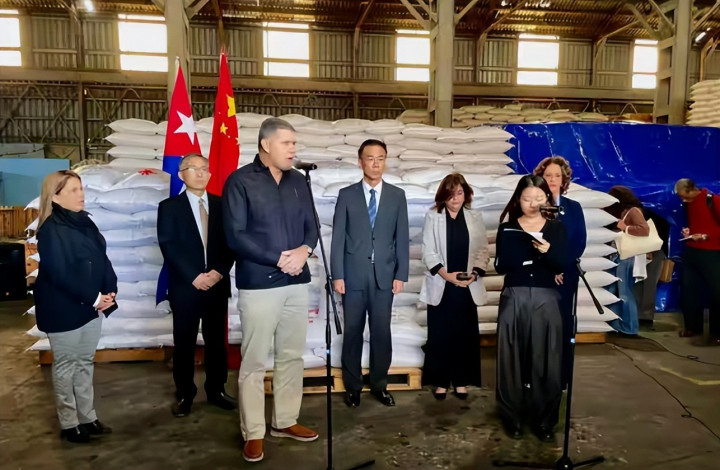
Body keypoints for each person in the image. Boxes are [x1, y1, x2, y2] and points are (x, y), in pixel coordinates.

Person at [223, 118, 319, 463]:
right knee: (254, 361)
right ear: (266, 145)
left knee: (291, 355)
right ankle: (254, 432)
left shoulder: (299, 181)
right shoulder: (240, 181)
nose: (293, 149)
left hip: (296, 282)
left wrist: (305, 250)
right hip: (259, 284)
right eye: (286, 143)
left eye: (294, 143)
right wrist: (279, 259)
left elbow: (312, 225)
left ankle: (285, 420)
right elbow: (235, 235)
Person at [34, 170, 117, 443]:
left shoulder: (85, 222)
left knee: (84, 363)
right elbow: (60, 274)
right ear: (55, 197)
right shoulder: (50, 230)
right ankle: (69, 424)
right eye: (73, 190)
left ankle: (88, 418)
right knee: (66, 366)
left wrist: (110, 288)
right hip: (63, 309)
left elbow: (102, 259)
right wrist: (95, 298)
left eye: (81, 188)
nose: (81, 194)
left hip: (91, 307)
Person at [331, 139, 409, 409]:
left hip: (384, 277)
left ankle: (379, 384)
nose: (375, 164)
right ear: (360, 162)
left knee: (381, 333)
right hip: (353, 276)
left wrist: (401, 274)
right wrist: (337, 275)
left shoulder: (397, 196)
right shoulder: (347, 195)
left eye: (380, 158)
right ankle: (353, 387)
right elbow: (338, 238)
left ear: (385, 161)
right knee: (352, 332)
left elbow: (402, 237)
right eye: (370, 158)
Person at [157, 153, 236, 418]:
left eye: (205, 169)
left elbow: (231, 243)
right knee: (185, 342)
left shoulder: (222, 205)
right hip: (185, 286)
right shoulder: (169, 207)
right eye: (194, 168)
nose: (201, 173)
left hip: (216, 284)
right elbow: (168, 245)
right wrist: (194, 276)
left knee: (216, 342)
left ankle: (217, 390)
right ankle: (184, 394)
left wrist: (219, 272)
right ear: (181, 175)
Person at [494, 175, 568, 442]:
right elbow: (501, 265)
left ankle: (544, 420)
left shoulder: (556, 228)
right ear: (518, 200)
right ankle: (512, 417)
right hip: (514, 296)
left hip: (546, 298)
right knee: (510, 359)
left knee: (546, 359)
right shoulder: (507, 228)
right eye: (527, 199)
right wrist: (527, 255)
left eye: (539, 198)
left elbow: (562, 263)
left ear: (547, 199)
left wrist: (547, 252)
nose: (533, 203)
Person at [419, 173, 489, 400]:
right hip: (443, 284)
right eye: (450, 194)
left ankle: (461, 381)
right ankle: (441, 381)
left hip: (467, 285)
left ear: (466, 194)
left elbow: (482, 250)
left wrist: (475, 274)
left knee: (464, 335)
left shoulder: (475, 217)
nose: (455, 198)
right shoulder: (433, 216)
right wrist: (446, 275)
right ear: (443, 196)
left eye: (459, 193)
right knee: (441, 335)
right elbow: (428, 250)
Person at [533, 156, 586, 387]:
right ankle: (537, 377)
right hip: (540, 276)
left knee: (562, 325)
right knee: (538, 327)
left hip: (566, 276)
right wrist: (550, 266)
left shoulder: (573, 208)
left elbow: (579, 241)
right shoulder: (533, 206)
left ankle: (561, 379)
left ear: (564, 179)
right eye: (548, 175)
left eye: (557, 175)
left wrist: (561, 265)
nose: (553, 180)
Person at [674, 178, 720, 342]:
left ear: (693, 189)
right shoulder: (688, 204)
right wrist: (689, 232)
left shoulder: (713, 200)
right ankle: (692, 327)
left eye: (684, 196)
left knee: (717, 292)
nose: (683, 200)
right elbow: (697, 222)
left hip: (712, 252)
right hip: (692, 251)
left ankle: (717, 332)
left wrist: (706, 236)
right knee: (689, 290)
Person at [604, 186, 650, 336]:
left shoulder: (633, 211)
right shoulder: (617, 212)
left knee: (625, 292)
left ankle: (630, 328)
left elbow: (644, 230)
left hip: (627, 256)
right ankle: (616, 324)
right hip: (616, 255)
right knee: (613, 292)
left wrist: (625, 228)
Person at [633, 205, 670, 328]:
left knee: (648, 284)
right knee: (640, 283)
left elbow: (659, 236)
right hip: (640, 251)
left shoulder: (652, 219)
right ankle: (640, 315)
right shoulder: (648, 216)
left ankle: (645, 316)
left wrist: (651, 249)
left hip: (654, 252)